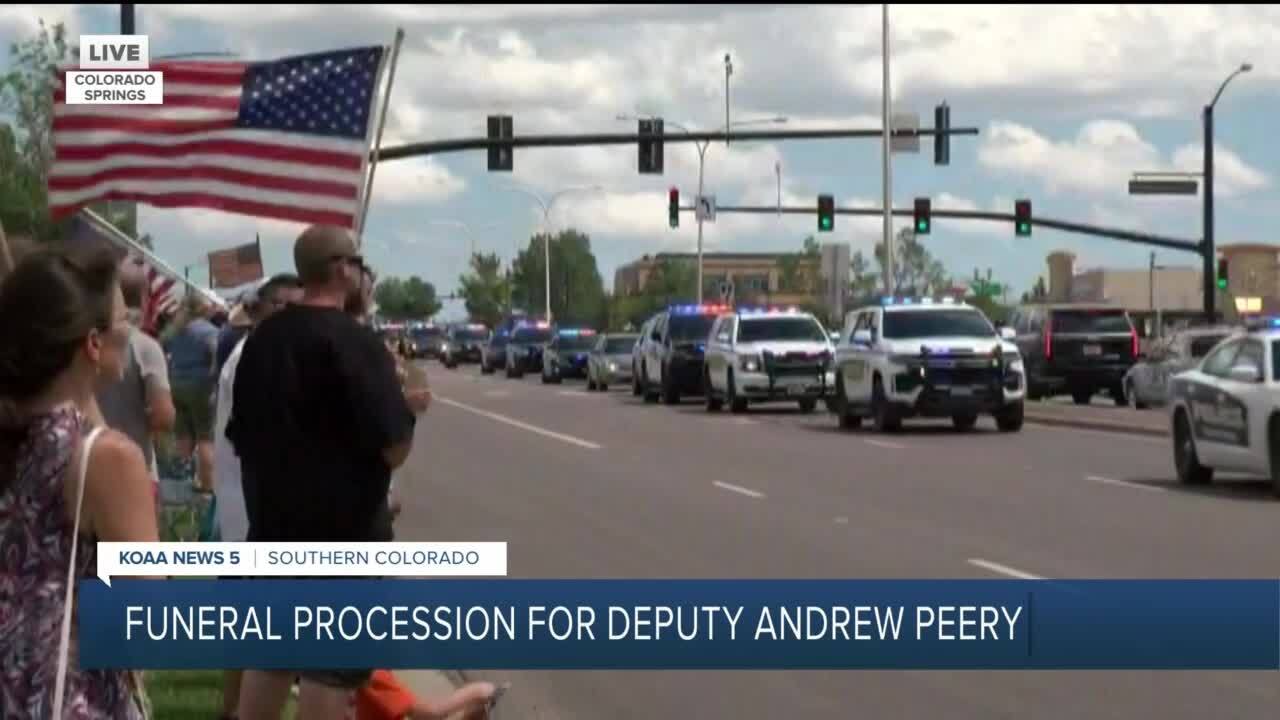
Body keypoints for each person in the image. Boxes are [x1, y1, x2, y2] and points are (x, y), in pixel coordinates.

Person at [228, 225, 429, 720]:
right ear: (342, 270)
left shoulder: (261, 342)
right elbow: (394, 448)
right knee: (328, 672)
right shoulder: (358, 344)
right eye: (358, 265)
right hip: (344, 542)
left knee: (269, 664)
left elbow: (242, 434)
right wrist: (406, 408)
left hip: (272, 535)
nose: (362, 274)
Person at [0, 244, 159, 718]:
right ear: (93, 343)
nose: (130, 324)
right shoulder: (106, 461)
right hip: (64, 697)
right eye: (123, 315)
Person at [211, 273, 303, 720]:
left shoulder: (261, 355)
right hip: (253, 516)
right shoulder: (256, 359)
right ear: (259, 310)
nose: (290, 314)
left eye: (297, 306)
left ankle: (232, 711)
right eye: (281, 306)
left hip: (250, 514)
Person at [96, 255, 176, 496]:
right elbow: (163, 416)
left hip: (88, 467)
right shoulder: (145, 346)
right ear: (145, 297)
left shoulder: (86, 344)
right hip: (136, 469)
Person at [165, 293, 220, 492]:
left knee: (184, 432)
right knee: (205, 436)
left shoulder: (175, 330)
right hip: (200, 385)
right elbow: (216, 354)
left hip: (177, 383)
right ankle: (207, 485)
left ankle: (184, 481)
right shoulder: (209, 331)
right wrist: (214, 377)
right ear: (203, 309)